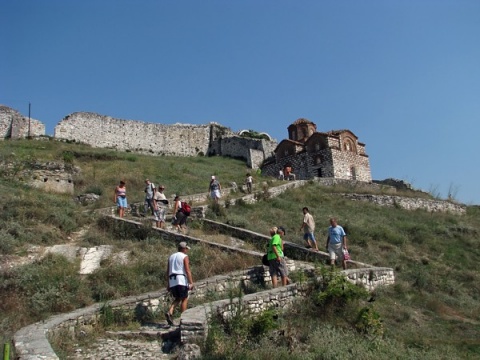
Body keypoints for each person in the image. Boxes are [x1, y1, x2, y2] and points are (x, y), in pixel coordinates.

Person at [165, 241, 194, 326]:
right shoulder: (184, 256)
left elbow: (167, 271)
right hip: (181, 279)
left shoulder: (171, 257)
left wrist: (168, 284)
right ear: (184, 249)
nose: (187, 251)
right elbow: (187, 270)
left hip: (172, 280)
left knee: (178, 298)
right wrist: (191, 282)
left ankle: (170, 311)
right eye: (186, 249)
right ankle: (184, 319)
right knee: (184, 298)